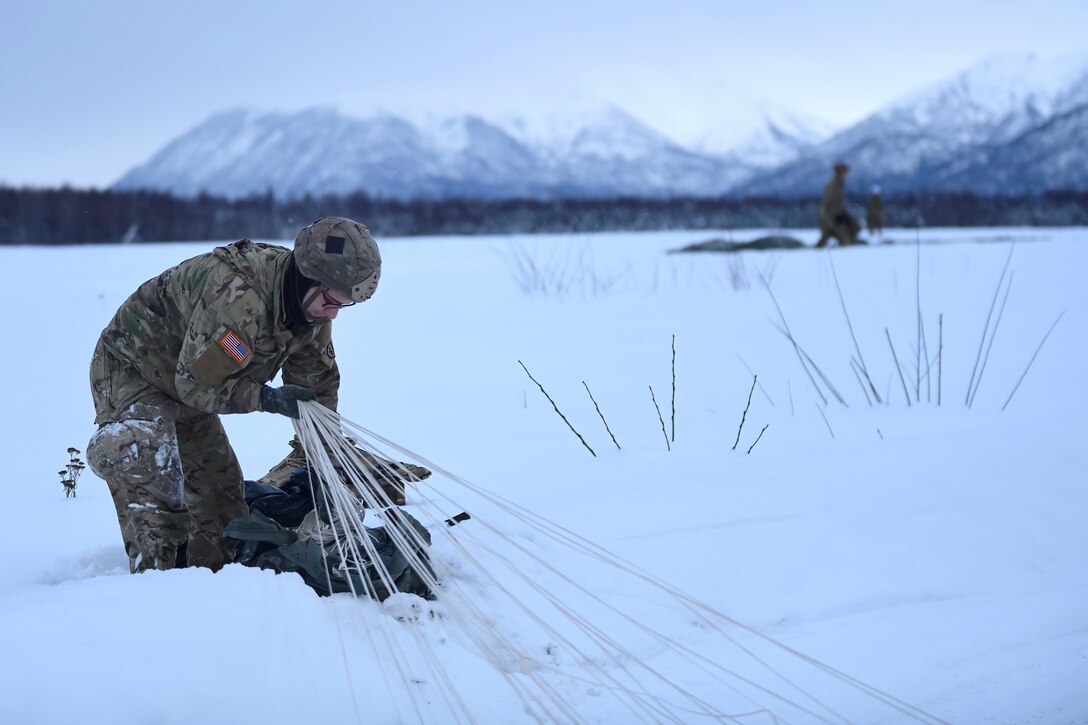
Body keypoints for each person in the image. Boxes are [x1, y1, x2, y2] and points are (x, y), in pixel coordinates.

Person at [86, 216, 381, 573]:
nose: (334, 312)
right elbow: (195, 387)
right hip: (135, 370)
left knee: (223, 510)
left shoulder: (311, 314)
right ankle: (154, 593)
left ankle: (213, 595)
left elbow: (317, 392)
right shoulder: (240, 300)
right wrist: (266, 399)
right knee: (158, 497)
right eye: (331, 300)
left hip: (193, 380)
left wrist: (325, 469)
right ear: (309, 277)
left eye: (343, 304)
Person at [815, 162, 859, 248]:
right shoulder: (834, 186)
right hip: (831, 219)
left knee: (824, 240)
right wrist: (832, 218)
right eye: (846, 172)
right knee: (845, 241)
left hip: (832, 217)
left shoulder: (837, 184)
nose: (847, 174)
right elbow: (828, 204)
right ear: (840, 172)